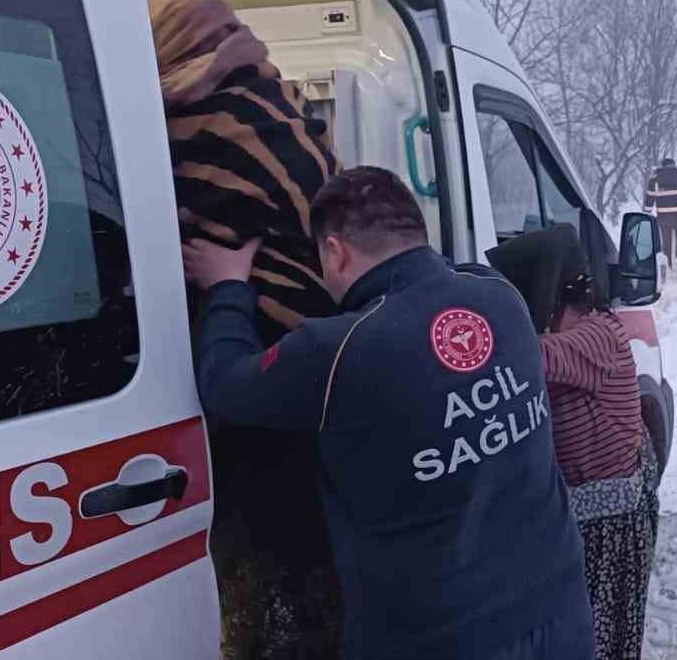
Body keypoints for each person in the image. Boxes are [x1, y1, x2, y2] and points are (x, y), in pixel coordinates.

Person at [182, 167, 592, 660]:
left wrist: (228, 286)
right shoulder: (499, 294)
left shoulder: (338, 351)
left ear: (335, 251)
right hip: (560, 603)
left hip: (442, 638)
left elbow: (224, 383)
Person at [149, 0, 342, 657]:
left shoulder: (165, 131)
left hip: (243, 382)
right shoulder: (289, 117)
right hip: (313, 384)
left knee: (263, 599)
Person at [486, 226, 660, 660]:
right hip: (592, 515)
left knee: (595, 636)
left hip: (610, 525)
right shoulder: (585, 330)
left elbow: (536, 356)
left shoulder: (598, 336)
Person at [642, 157, 677, 263]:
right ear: (674, 165)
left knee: (666, 240)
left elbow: (649, 197)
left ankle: (668, 262)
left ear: (662, 166)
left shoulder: (654, 179)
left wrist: (647, 211)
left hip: (663, 215)